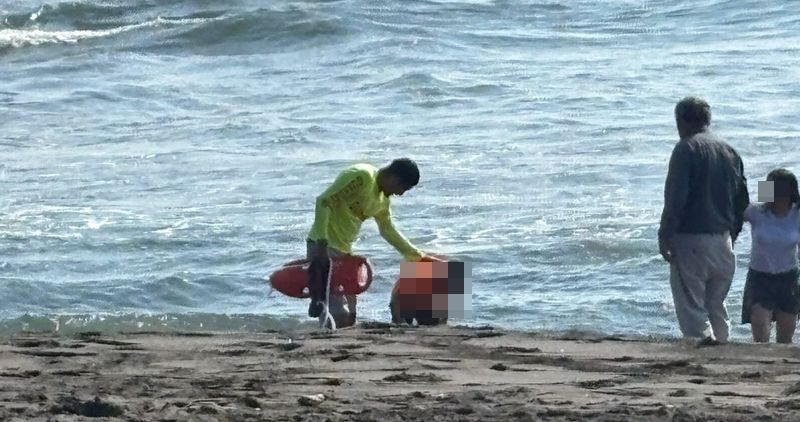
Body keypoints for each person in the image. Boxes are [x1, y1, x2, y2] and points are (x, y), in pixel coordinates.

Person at [658, 96, 750, 346]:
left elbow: (676, 197)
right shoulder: (730, 150)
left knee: (692, 306)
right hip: (723, 239)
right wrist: (734, 233)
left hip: (691, 238)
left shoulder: (686, 148)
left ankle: (704, 357)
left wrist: (664, 234)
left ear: (681, 121)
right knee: (716, 304)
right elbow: (743, 198)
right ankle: (724, 349)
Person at [306, 158, 427, 328]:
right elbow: (324, 200)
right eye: (403, 189)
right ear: (394, 179)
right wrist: (321, 242)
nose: (400, 194)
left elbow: (387, 230)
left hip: (345, 251)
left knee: (350, 316)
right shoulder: (362, 177)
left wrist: (416, 255)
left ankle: (325, 315)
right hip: (323, 247)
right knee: (335, 312)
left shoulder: (382, 202)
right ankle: (322, 321)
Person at [741, 169, 800, 343]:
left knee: (785, 339)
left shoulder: (797, 215)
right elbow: (729, 214)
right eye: (773, 192)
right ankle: (758, 368)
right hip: (759, 278)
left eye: (782, 193)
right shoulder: (756, 212)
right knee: (760, 333)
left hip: (787, 279)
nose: (779, 199)